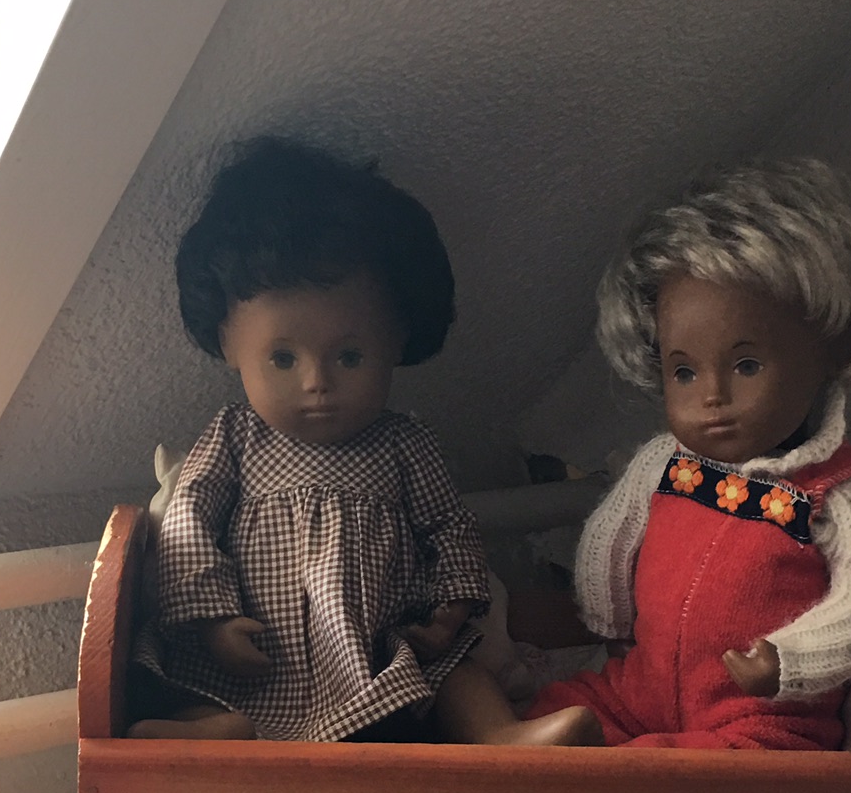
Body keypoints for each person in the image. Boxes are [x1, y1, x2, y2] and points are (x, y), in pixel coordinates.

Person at [132, 136, 600, 746]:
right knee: (196, 680)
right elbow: (187, 521)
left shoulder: (404, 443)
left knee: (455, 675)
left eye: (349, 356)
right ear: (227, 341)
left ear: (396, 339)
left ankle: (498, 739)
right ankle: (215, 731)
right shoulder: (235, 438)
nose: (316, 382)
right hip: (254, 650)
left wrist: (448, 609)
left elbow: (449, 528)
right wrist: (214, 619)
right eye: (282, 358)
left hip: (376, 656)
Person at [528, 158, 851, 749]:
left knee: (731, 771)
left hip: (759, 717)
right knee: (558, 704)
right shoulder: (666, 463)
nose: (712, 397)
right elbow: (613, 537)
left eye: (746, 365)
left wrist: (789, 661)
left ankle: (615, 772)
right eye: (684, 372)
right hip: (644, 689)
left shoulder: (831, 493)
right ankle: (563, 754)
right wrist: (608, 617)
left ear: (835, 347)